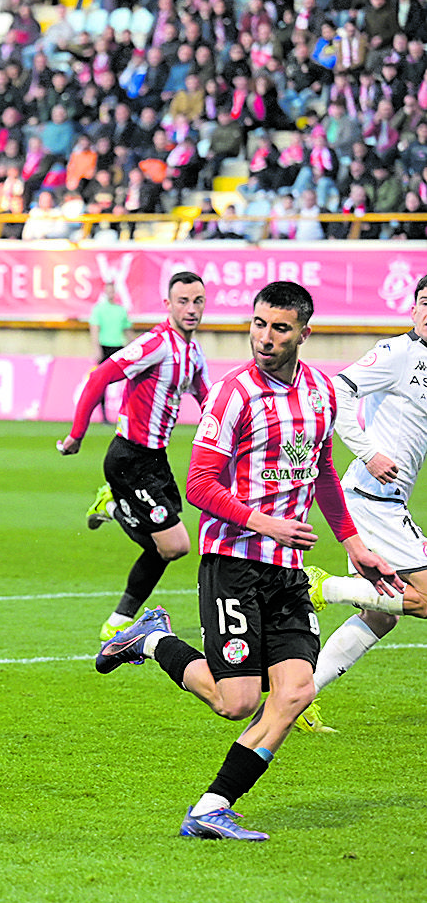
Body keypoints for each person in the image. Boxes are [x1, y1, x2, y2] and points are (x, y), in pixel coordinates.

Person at [95, 282, 401, 841]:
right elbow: (198, 485)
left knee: (295, 692)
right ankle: (150, 640)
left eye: (280, 328)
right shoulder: (230, 395)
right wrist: (263, 522)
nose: (265, 337)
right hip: (232, 560)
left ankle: (212, 806)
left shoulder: (323, 394)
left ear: (304, 333)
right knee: (237, 702)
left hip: (286, 569)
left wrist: (354, 543)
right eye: (259, 324)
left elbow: (323, 471)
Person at [303, 275, 427, 729]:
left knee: (380, 615)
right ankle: (323, 588)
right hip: (374, 500)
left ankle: (299, 697)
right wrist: (369, 453)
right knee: (425, 599)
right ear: (412, 310)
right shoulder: (398, 353)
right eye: (424, 302)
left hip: (386, 500)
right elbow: (337, 390)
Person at [60, 272, 210, 642]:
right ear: (168, 305)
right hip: (129, 457)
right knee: (174, 544)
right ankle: (112, 506)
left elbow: (207, 402)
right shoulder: (155, 344)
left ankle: (119, 617)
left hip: (155, 459)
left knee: (167, 546)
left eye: (198, 301)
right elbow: (99, 378)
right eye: (183, 302)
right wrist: (77, 434)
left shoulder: (193, 354)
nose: (191, 309)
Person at [86, 272, 135, 424]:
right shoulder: (99, 309)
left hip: (119, 347)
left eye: (112, 289)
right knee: (102, 383)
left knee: (130, 380)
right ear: (104, 292)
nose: (110, 292)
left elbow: (127, 331)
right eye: (108, 289)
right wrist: (96, 349)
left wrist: (137, 346)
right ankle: (103, 415)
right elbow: (94, 329)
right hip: (104, 346)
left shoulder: (121, 310)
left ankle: (130, 412)